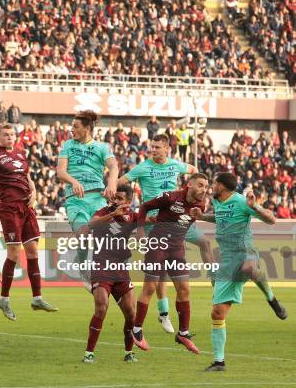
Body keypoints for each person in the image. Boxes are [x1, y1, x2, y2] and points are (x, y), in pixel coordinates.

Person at [190, 173, 288, 372]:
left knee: (250, 268)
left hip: (245, 252)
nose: (212, 187)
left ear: (223, 187)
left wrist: (255, 206)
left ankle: (271, 298)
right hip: (226, 260)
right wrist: (202, 217)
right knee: (217, 313)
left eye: (215, 183)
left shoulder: (242, 201)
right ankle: (219, 362)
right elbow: (220, 218)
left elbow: (272, 220)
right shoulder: (218, 202)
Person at [118, 134, 210, 334]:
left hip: (179, 216)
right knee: (160, 273)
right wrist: (113, 191)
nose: (153, 150)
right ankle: (164, 313)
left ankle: (214, 277)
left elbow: (194, 171)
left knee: (204, 242)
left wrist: (199, 187)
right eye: (152, 146)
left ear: (167, 148)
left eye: (157, 147)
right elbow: (121, 181)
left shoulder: (176, 165)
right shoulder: (143, 167)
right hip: (155, 222)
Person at [131, 173, 211, 354]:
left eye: (205, 187)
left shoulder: (200, 206)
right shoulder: (170, 197)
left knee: (184, 289)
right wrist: (141, 229)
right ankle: (136, 330)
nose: (203, 190)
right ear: (189, 185)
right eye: (200, 185)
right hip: (157, 246)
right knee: (149, 288)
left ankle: (183, 333)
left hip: (177, 249)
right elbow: (144, 207)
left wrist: (202, 216)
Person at [0, 124, 57, 321]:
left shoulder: (21, 154)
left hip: (27, 208)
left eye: (12, 134)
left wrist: (34, 192)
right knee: (14, 253)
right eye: (5, 135)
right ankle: (4, 299)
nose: (9, 137)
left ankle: (37, 297)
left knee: (33, 251)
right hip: (10, 208)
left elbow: (28, 177)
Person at [56, 110, 118, 290]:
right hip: (76, 200)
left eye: (76, 127)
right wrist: (73, 181)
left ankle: (107, 274)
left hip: (98, 199)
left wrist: (111, 184)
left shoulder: (102, 147)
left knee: (106, 238)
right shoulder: (68, 145)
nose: (71, 130)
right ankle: (85, 272)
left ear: (87, 128)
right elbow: (60, 172)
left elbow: (113, 166)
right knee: (83, 234)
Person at [82, 185, 138, 364]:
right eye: (115, 198)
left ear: (128, 201)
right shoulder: (103, 212)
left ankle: (129, 352)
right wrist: (112, 215)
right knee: (101, 306)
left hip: (121, 269)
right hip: (102, 266)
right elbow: (90, 225)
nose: (115, 201)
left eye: (120, 199)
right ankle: (89, 353)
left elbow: (151, 218)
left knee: (131, 313)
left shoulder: (131, 217)